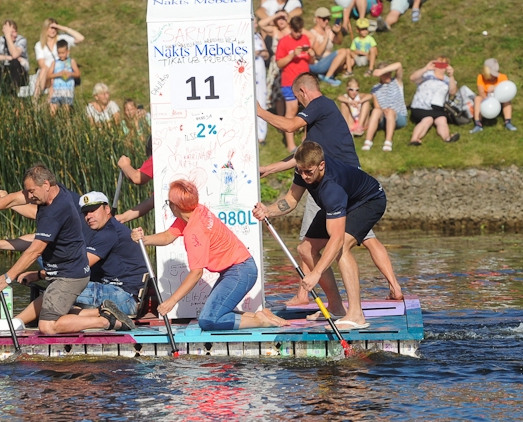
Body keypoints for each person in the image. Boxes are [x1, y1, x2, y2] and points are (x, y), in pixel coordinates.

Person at [255, 72, 405, 302]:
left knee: (325, 245)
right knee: (363, 239)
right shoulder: (319, 125)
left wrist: (258, 111)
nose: (299, 104)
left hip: (334, 185)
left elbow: (289, 126)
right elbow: (302, 156)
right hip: (345, 182)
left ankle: (313, 297)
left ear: (303, 92)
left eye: (297, 98)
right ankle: (395, 288)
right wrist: (270, 169)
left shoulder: (319, 104)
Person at [0, 165, 138, 335]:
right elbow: (14, 199)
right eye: (85, 211)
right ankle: (17, 322)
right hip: (64, 272)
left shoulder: (57, 212)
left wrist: (8, 277)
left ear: (46, 185)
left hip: (76, 276)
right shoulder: (54, 193)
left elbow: (35, 249)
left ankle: (107, 321)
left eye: (31, 191)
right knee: (51, 295)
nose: (88, 216)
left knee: (47, 326)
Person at [253, 141, 386, 330]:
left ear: (321, 165)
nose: (305, 177)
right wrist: (268, 211)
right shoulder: (303, 170)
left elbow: (337, 239)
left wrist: (315, 274)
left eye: (310, 172)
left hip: (368, 201)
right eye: (301, 171)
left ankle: (356, 315)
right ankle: (336, 307)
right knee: (305, 249)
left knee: (341, 248)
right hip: (343, 201)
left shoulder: (333, 188)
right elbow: (291, 200)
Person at [133, 179, 286, 330]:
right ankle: (260, 315)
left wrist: (171, 301)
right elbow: (167, 236)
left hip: (240, 271)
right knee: (213, 315)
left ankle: (261, 321)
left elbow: (196, 273)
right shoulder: (196, 211)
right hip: (238, 269)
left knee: (209, 321)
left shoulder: (195, 231)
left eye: (169, 202)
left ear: (176, 206)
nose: (169, 206)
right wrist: (144, 239)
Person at [274, 15, 312, 151]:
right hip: (289, 82)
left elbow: (311, 61)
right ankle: (291, 146)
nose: (298, 34)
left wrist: (311, 54)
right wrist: (292, 55)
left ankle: (306, 142)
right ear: (290, 28)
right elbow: (279, 63)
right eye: (296, 31)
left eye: (300, 31)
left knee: (310, 110)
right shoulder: (283, 42)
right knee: (291, 111)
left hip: (306, 82)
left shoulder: (305, 39)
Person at [408, 58, 460, 145]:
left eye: (443, 65)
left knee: (442, 120)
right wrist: (426, 68)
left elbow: (453, 92)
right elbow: (412, 78)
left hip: (438, 109)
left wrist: (451, 76)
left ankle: (447, 138)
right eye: (438, 64)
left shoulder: (448, 80)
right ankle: (414, 139)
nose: (440, 67)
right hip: (421, 106)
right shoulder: (426, 75)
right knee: (428, 119)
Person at [363, 61, 406, 152]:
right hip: (383, 116)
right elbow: (377, 106)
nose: (388, 75)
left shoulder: (396, 82)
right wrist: (383, 110)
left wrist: (383, 70)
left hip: (398, 116)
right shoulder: (375, 88)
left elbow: (399, 65)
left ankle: (388, 141)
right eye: (385, 74)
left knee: (390, 111)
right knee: (375, 111)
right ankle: (368, 141)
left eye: (389, 73)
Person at [0, 19, 29, 99]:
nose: (14, 35)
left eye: (15, 32)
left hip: (20, 73)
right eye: (11, 32)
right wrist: (7, 57)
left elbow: (14, 54)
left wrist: (8, 38)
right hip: (5, 71)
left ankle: (11, 95)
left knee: (15, 62)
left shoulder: (21, 40)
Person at [471, 58, 516, 133]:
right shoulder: (480, 77)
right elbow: (481, 92)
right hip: (486, 99)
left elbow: (506, 92)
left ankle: (508, 122)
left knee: (507, 100)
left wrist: (495, 88)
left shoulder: (503, 77)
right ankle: (478, 124)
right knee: (477, 98)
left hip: (499, 99)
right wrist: (487, 98)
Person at [307, 6, 347, 87]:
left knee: (348, 62)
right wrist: (326, 36)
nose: (327, 21)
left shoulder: (328, 30)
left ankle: (324, 74)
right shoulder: (312, 33)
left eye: (328, 19)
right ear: (317, 19)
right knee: (343, 52)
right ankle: (328, 77)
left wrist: (338, 32)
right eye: (324, 19)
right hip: (317, 64)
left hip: (327, 62)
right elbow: (318, 52)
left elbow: (339, 42)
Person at [49, 40, 79, 112]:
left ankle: (66, 122)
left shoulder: (71, 61)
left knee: (66, 110)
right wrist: (58, 74)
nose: (61, 55)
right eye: (59, 53)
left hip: (67, 89)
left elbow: (78, 73)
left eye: (63, 53)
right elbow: (48, 75)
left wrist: (71, 74)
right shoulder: (55, 62)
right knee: (53, 109)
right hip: (56, 89)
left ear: (68, 52)